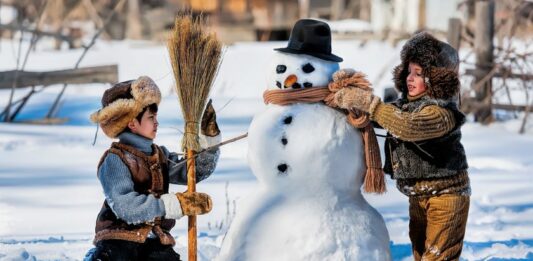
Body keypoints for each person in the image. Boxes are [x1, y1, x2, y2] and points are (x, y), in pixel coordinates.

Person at [333, 32, 470, 260]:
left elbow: (407, 126)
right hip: (418, 196)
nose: (410, 78)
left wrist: (370, 104)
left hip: (446, 197)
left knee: (438, 257)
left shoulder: (441, 113)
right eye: (408, 71)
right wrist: (354, 99)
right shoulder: (407, 105)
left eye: (419, 73)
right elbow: (386, 115)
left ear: (435, 78)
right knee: (420, 253)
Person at [87, 76, 221, 260]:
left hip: (155, 241)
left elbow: (192, 171)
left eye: (155, 116)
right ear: (132, 123)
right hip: (118, 239)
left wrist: (210, 142)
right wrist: (175, 204)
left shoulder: (159, 155)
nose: (156, 122)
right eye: (151, 117)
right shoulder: (115, 160)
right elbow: (125, 207)